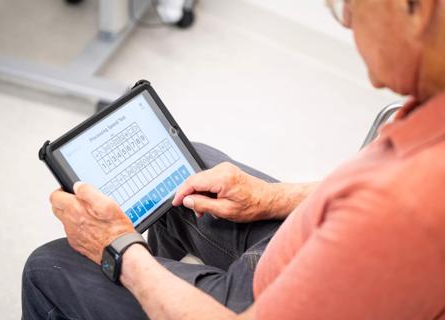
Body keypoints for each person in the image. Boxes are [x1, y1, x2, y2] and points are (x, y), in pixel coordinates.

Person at [22, 0, 445, 319]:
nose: (348, 20)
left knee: (49, 266)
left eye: (349, 4)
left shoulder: (407, 206)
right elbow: (363, 196)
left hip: (255, 304)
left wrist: (120, 249)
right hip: (304, 252)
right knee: (189, 174)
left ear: (419, 10)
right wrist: (270, 197)